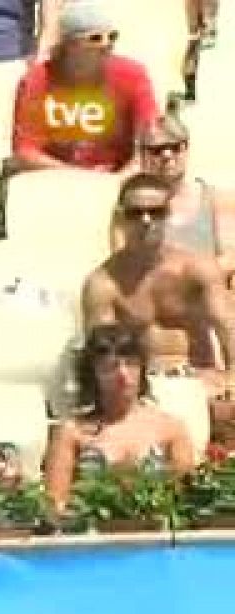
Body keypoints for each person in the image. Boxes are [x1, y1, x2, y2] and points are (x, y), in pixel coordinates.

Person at [82, 172, 234, 396]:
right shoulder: (104, 285)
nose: (146, 221)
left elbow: (228, 329)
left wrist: (229, 381)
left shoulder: (197, 270)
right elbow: (102, 356)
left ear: (168, 214)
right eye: (136, 213)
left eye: (156, 212)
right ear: (121, 218)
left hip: (201, 380)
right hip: (140, 389)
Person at [43, 323, 195, 511]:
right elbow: (55, 502)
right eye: (110, 367)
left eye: (131, 364)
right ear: (93, 375)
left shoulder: (170, 429)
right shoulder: (71, 432)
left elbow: (184, 499)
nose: (123, 375)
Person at [11, 1, 158, 173]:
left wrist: (121, 178)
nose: (106, 44)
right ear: (69, 45)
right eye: (95, 38)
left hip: (117, 176)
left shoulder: (133, 75)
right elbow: (26, 151)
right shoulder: (37, 80)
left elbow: (151, 139)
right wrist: (81, 177)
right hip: (55, 176)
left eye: (112, 37)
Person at [131, 112, 235, 283]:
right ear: (143, 156)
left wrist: (187, 281)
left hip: (206, 297)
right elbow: (123, 265)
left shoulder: (217, 200)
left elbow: (230, 259)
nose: (167, 155)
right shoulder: (132, 208)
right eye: (156, 150)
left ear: (186, 149)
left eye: (175, 147)